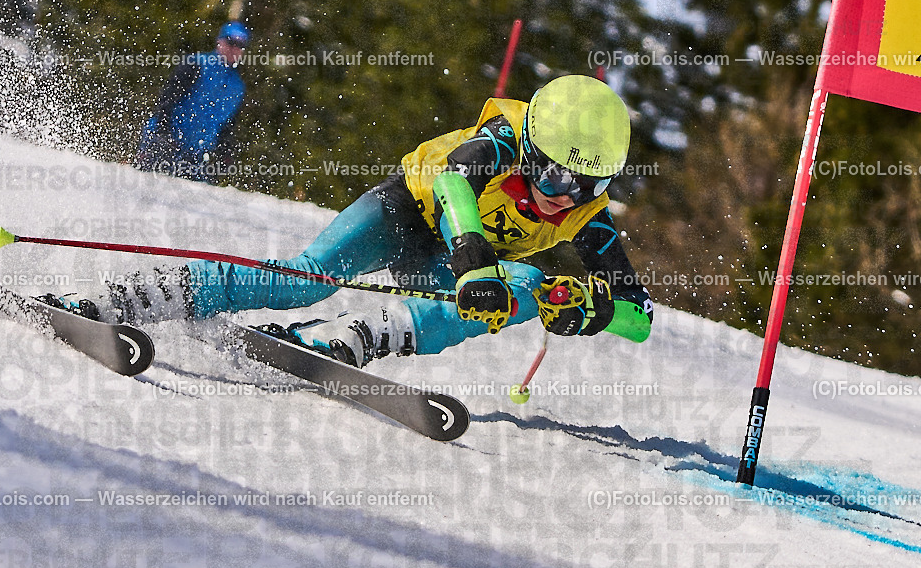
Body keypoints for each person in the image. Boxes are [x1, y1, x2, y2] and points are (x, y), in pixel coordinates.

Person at [49, 75, 653, 367]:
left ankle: (347, 339)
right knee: (300, 279)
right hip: (406, 212)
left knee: (527, 290)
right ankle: (132, 296)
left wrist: (593, 310)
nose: (561, 198)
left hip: (445, 266)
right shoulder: (505, 136)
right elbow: (451, 181)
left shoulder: (587, 219)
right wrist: (472, 259)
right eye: (552, 176)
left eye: (586, 186)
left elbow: (641, 320)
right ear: (533, 153)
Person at [133, 21, 249, 183]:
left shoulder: (237, 87)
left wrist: (225, 153)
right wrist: (163, 132)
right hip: (164, 143)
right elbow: (167, 99)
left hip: (195, 156)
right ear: (220, 41)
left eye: (240, 45)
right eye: (230, 41)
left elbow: (227, 125)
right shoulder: (196, 64)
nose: (233, 48)